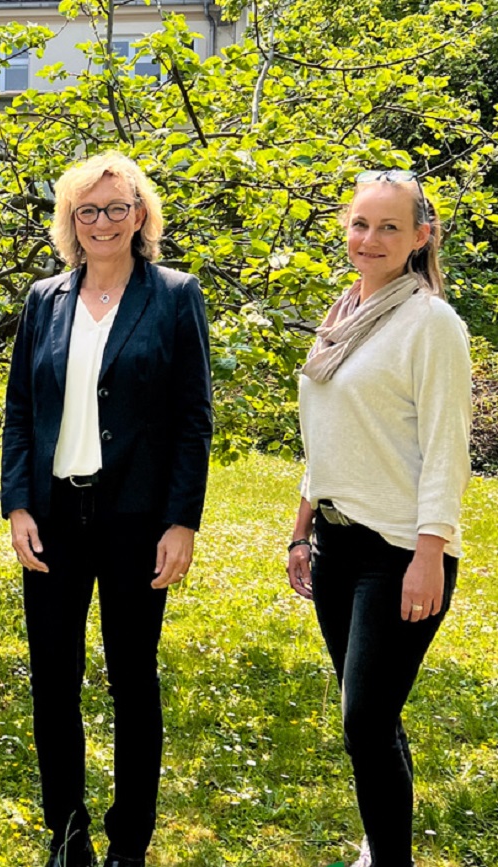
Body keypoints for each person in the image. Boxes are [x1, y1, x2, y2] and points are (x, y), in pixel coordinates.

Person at [1, 151, 213, 867]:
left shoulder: (176, 296)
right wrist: (17, 506)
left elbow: (193, 419)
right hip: (54, 518)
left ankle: (130, 841)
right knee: (53, 679)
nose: (102, 222)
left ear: (141, 215)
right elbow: (20, 410)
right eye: (87, 211)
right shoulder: (44, 299)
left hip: (136, 522)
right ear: (69, 222)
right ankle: (67, 833)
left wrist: (182, 520)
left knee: (132, 678)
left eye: (117, 208)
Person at [287, 170, 471, 867]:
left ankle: (391, 859)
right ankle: (383, 837)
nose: (371, 239)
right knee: (373, 714)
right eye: (361, 223)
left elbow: (446, 451)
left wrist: (430, 553)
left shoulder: (431, 324)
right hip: (335, 544)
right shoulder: (343, 313)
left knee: (363, 719)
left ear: (420, 237)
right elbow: (330, 434)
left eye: (390, 227)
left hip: (398, 552)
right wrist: (301, 527)